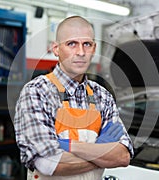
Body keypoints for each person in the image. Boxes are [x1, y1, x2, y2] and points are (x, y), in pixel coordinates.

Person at [13, 16, 134, 180]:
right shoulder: (37, 93)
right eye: (72, 44)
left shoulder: (102, 96)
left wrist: (69, 147)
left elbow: (123, 157)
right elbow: (50, 164)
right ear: (56, 49)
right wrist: (102, 153)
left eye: (87, 44)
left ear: (94, 48)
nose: (81, 52)